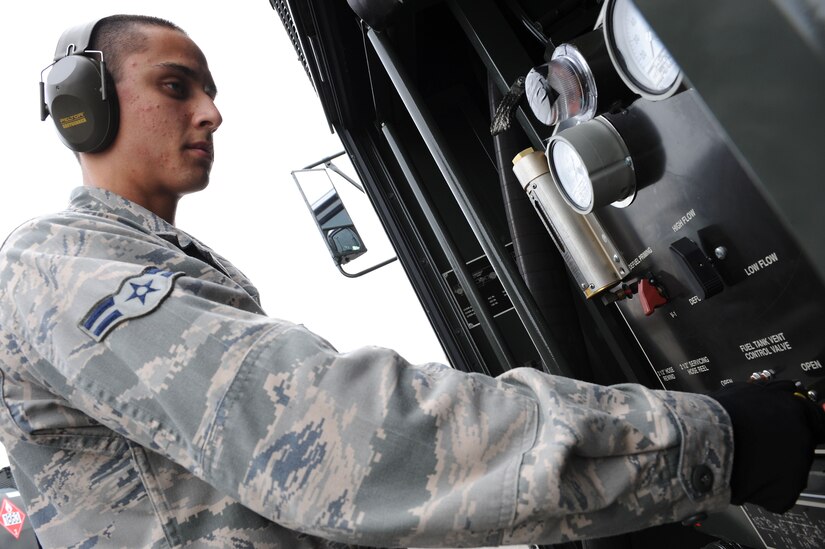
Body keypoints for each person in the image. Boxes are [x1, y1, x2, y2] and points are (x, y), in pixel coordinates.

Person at [0, 14, 822, 549]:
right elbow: (337, 440)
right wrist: (714, 438)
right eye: (176, 87)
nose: (210, 112)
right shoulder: (57, 267)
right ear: (86, 108)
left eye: (211, 90)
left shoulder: (158, 267)